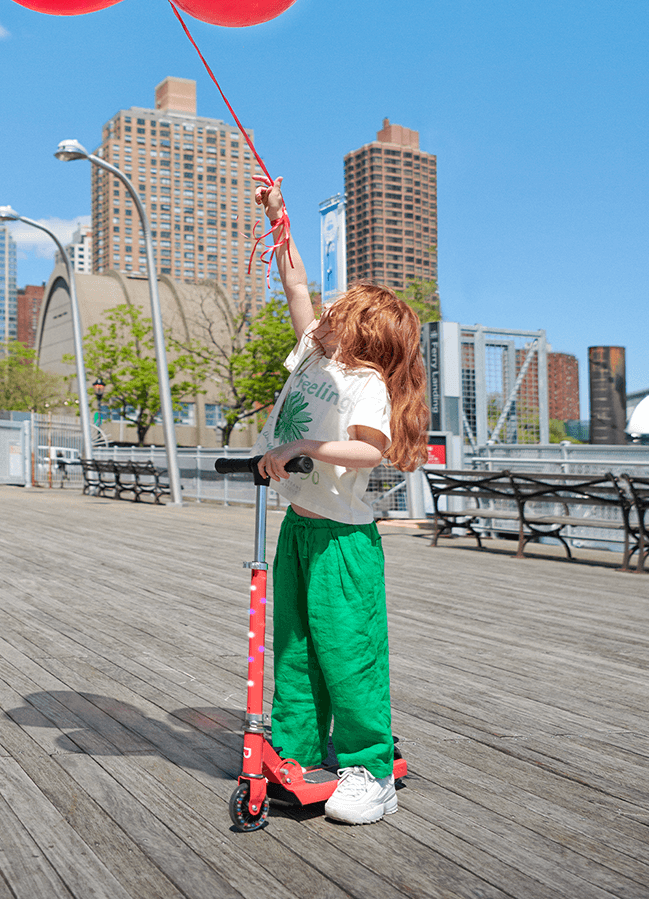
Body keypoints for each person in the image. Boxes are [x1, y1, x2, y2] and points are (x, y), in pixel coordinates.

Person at [250, 175, 429, 825]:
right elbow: (294, 283)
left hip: (344, 539)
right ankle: (295, 748)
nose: (323, 312)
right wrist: (280, 219)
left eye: (338, 314)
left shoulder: (363, 382)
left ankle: (368, 770)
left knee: (348, 653)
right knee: (294, 645)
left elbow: (369, 451)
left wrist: (303, 445)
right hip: (300, 527)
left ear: (359, 334)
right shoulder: (315, 359)